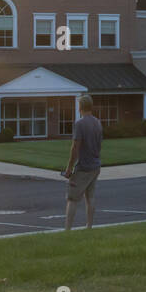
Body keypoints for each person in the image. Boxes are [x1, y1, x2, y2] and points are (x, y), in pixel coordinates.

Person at [63, 94, 103, 231]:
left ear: (80, 107)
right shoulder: (98, 122)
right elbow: (99, 145)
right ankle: (89, 227)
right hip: (95, 165)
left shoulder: (79, 124)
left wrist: (69, 169)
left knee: (72, 198)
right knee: (90, 197)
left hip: (83, 167)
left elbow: (75, 147)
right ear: (91, 106)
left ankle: (67, 230)